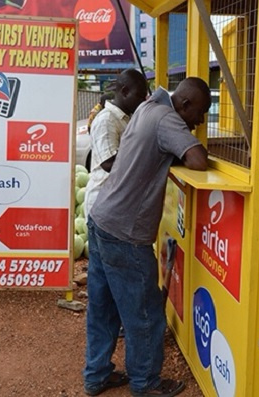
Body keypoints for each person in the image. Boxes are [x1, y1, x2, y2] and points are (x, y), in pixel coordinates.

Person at [84, 77, 210, 397]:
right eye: (200, 111)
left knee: (103, 308)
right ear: (183, 105)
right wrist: (183, 149)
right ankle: (145, 384)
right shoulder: (167, 118)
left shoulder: (146, 107)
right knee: (145, 314)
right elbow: (197, 159)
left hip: (101, 220)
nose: (201, 120)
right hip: (125, 233)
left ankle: (96, 374)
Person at [84, 69, 147, 220]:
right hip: (102, 205)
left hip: (115, 204)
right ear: (125, 92)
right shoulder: (107, 120)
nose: (142, 101)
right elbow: (109, 163)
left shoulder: (127, 118)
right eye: (139, 96)